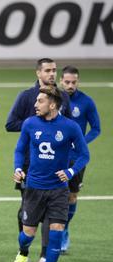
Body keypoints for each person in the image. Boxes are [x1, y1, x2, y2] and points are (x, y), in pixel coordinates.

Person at [11, 86, 89, 262]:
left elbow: (84, 155)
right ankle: (23, 252)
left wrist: (71, 173)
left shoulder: (70, 127)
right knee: (27, 234)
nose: (35, 105)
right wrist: (18, 168)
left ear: (52, 104)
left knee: (56, 232)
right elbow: (20, 149)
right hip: (34, 187)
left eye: (40, 101)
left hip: (59, 190)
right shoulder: (30, 124)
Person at [5, 58, 72, 262]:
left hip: (57, 164)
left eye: (54, 70)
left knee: (50, 214)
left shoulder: (62, 99)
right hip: (29, 164)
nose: (52, 74)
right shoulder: (26, 97)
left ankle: (44, 254)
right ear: (38, 73)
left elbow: (67, 126)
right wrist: (34, 125)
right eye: (48, 70)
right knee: (26, 208)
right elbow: (10, 123)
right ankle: (23, 248)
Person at [59, 66, 100, 252]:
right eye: (67, 82)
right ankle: (54, 231)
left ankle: (65, 228)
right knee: (54, 194)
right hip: (55, 155)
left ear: (78, 82)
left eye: (73, 82)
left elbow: (96, 128)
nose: (70, 85)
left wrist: (81, 142)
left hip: (76, 158)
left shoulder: (86, 102)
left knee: (72, 195)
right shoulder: (54, 100)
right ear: (61, 81)